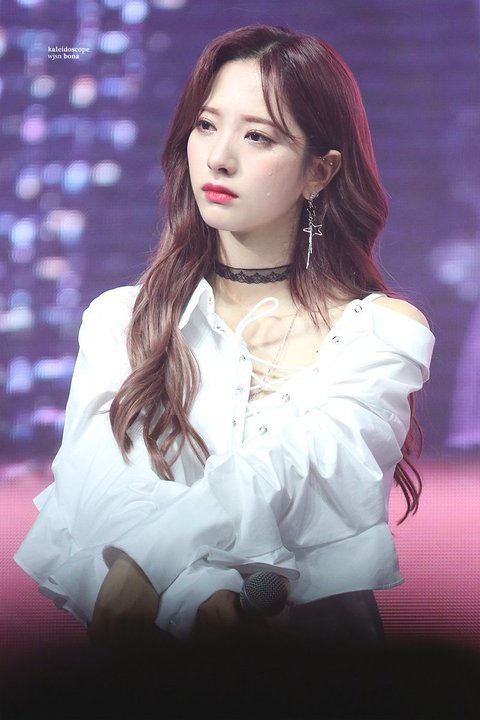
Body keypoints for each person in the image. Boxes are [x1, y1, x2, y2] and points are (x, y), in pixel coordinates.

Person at [15, 25, 434, 654]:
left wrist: (149, 561)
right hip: (154, 663)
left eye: (257, 136)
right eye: (206, 126)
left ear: (319, 171)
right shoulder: (123, 320)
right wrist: (197, 595)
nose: (219, 157)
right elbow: (99, 490)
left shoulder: (382, 330)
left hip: (327, 667)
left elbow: (307, 470)